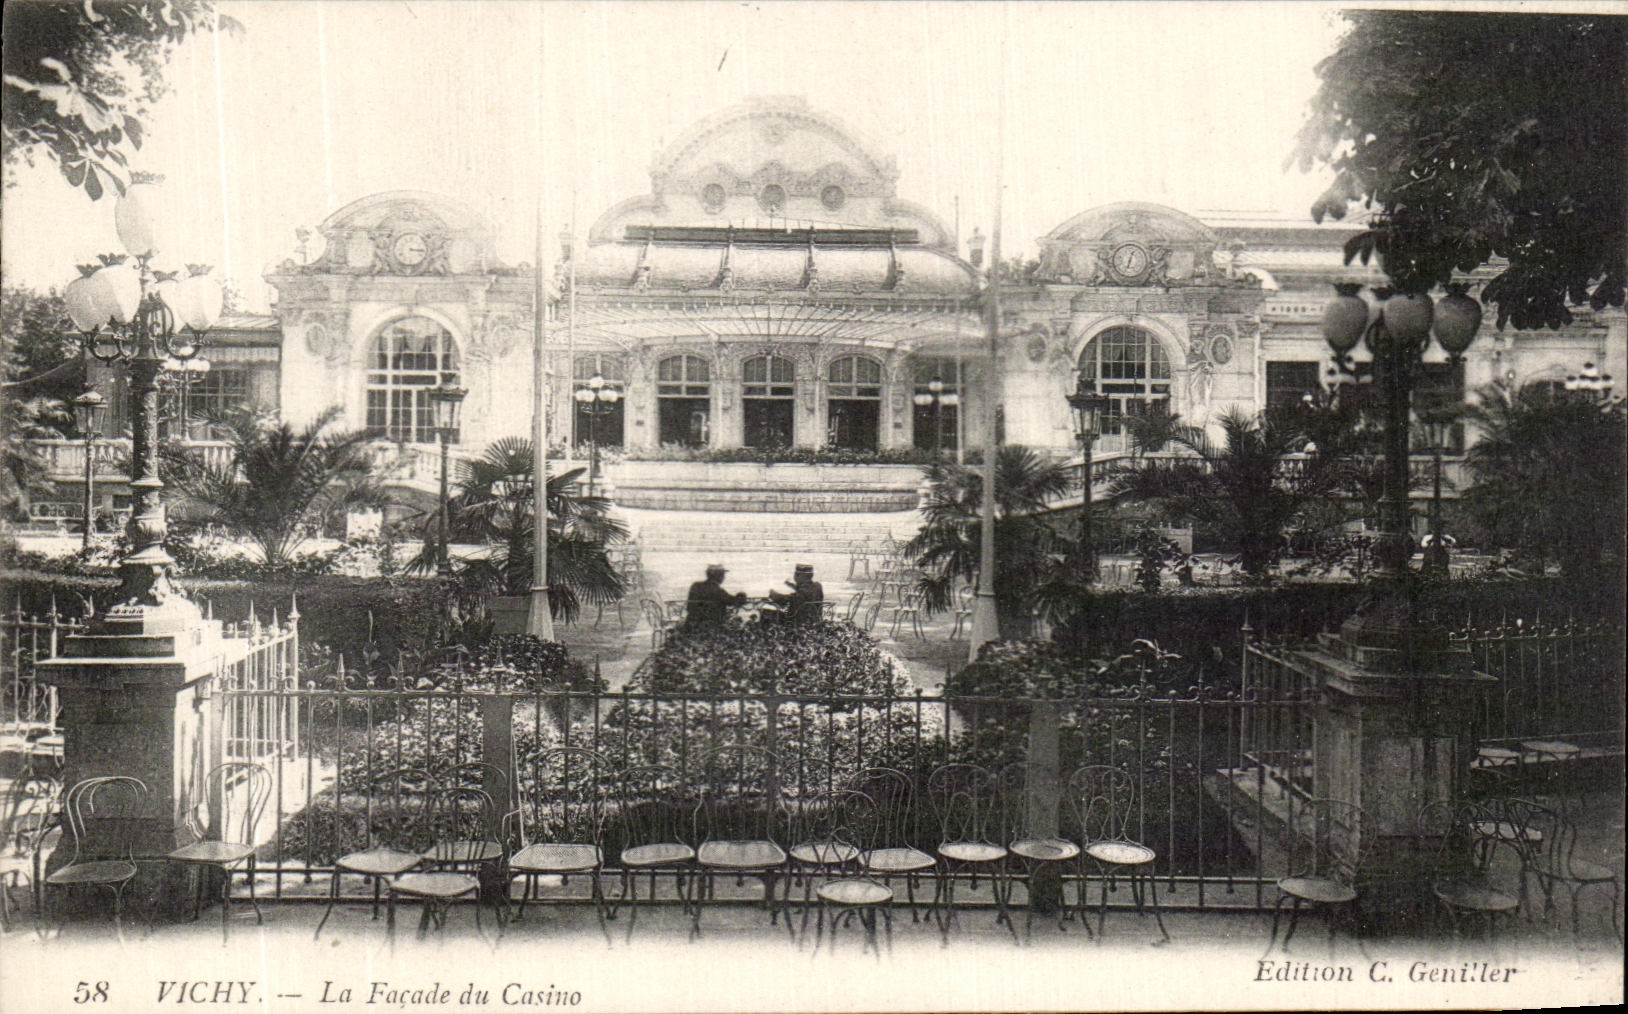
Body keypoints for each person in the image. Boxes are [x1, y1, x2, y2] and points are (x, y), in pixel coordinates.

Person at [685, 564, 746, 630]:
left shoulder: (696, 586)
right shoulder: (718, 590)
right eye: (722, 575)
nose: (724, 577)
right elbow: (733, 601)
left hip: (691, 624)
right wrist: (742, 596)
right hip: (712, 626)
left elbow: (690, 606)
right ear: (717, 576)